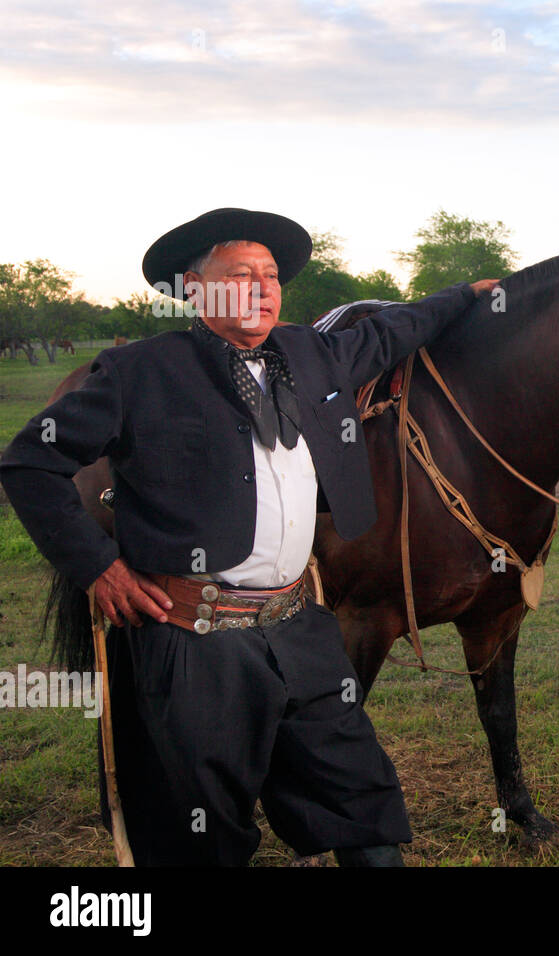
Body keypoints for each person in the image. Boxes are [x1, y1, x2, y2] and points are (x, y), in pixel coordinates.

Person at [0, 208, 497, 866]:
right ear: (197, 290)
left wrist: (462, 296)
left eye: (270, 275)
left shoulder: (311, 354)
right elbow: (29, 462)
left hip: (300, 630)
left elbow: (392, 330)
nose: (263, 287)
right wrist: (99, 567)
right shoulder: (139, 374)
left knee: (363, 813)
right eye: (241, 275)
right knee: (201, 839)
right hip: (193, 647)